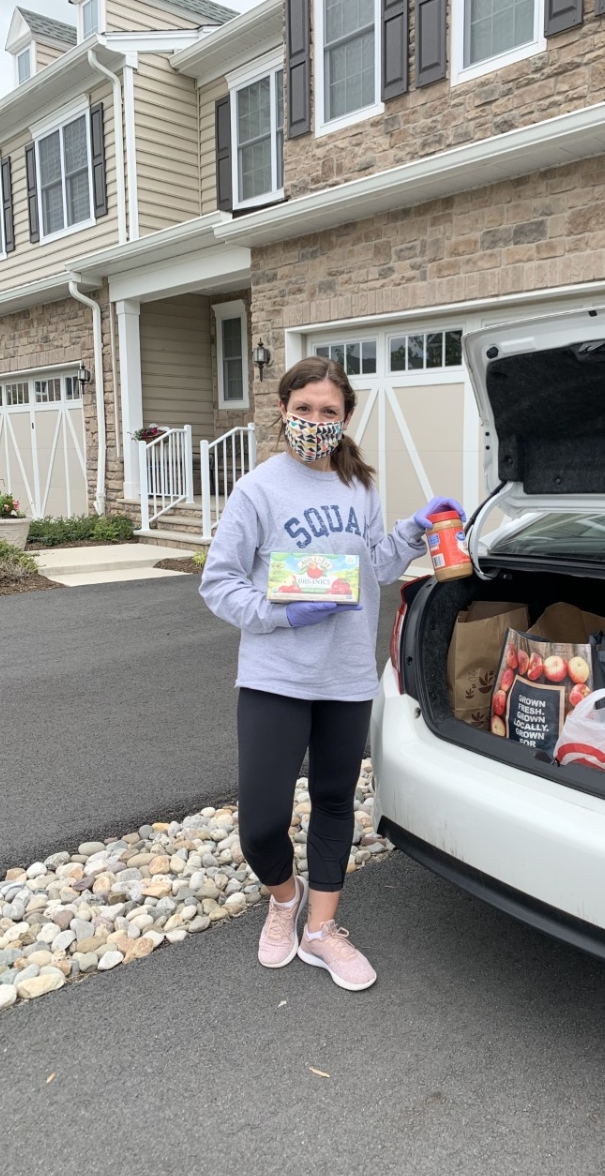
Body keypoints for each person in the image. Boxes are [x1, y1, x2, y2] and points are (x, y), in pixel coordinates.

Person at [198, 355, 464, 992]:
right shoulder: (257, 490)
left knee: (335, 802)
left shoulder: (360, 487)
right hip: (275, 677)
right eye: (304, 410)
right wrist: (280, 615)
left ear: (346, 419)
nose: (315, 422)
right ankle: (283, 898)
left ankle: (321, 928)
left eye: (329, 412)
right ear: (283, 412)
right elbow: (218, 583)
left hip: (346, 676)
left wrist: (415, 528)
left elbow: (372, 567)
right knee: (261, 821)